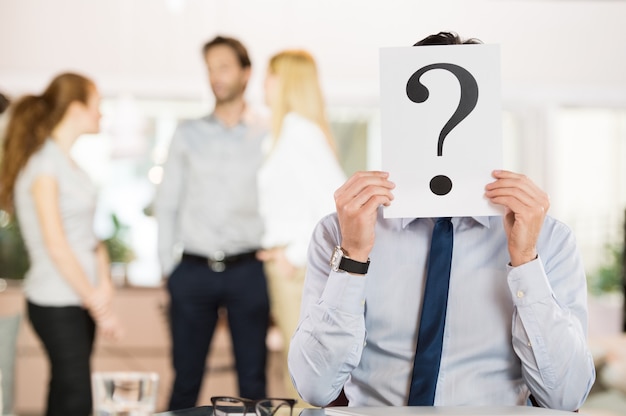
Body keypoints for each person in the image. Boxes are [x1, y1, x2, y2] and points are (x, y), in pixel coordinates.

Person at [288, 32, 595, 411]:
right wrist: (352, 258)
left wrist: (527, 262)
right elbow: (314, 388)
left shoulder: (550, 239)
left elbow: (566, 396)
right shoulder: (338, 232)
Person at [155, 36, 270, 410]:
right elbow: (168, 202)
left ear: (245, 72)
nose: (215, 77)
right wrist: (167, 269)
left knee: (253, 378)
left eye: (223, 66)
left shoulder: (268, 133)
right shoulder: (187, 133)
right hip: (192, 270)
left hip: (249, 270)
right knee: (186, 378)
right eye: (209, 69)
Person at [0, 73, 122, 416]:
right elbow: (56, 245)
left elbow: (90, 238)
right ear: (75, 108)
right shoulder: (43, 166)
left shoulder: (71, 167)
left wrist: (104, 287)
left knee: (68, 392)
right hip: (54, 301)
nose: (102, 114)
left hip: (80, 300)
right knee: (77, 395)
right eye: (97, 105)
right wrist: (95, 301)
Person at [256, 50, 346, 402]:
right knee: (293, 372)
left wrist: (289, 254)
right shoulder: (288, 133)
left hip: (296, 270)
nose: (263, 84)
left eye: (271, 75)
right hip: (289, 268)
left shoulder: (300, 134)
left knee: (302, 378)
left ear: (287, 82)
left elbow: (332, 207)